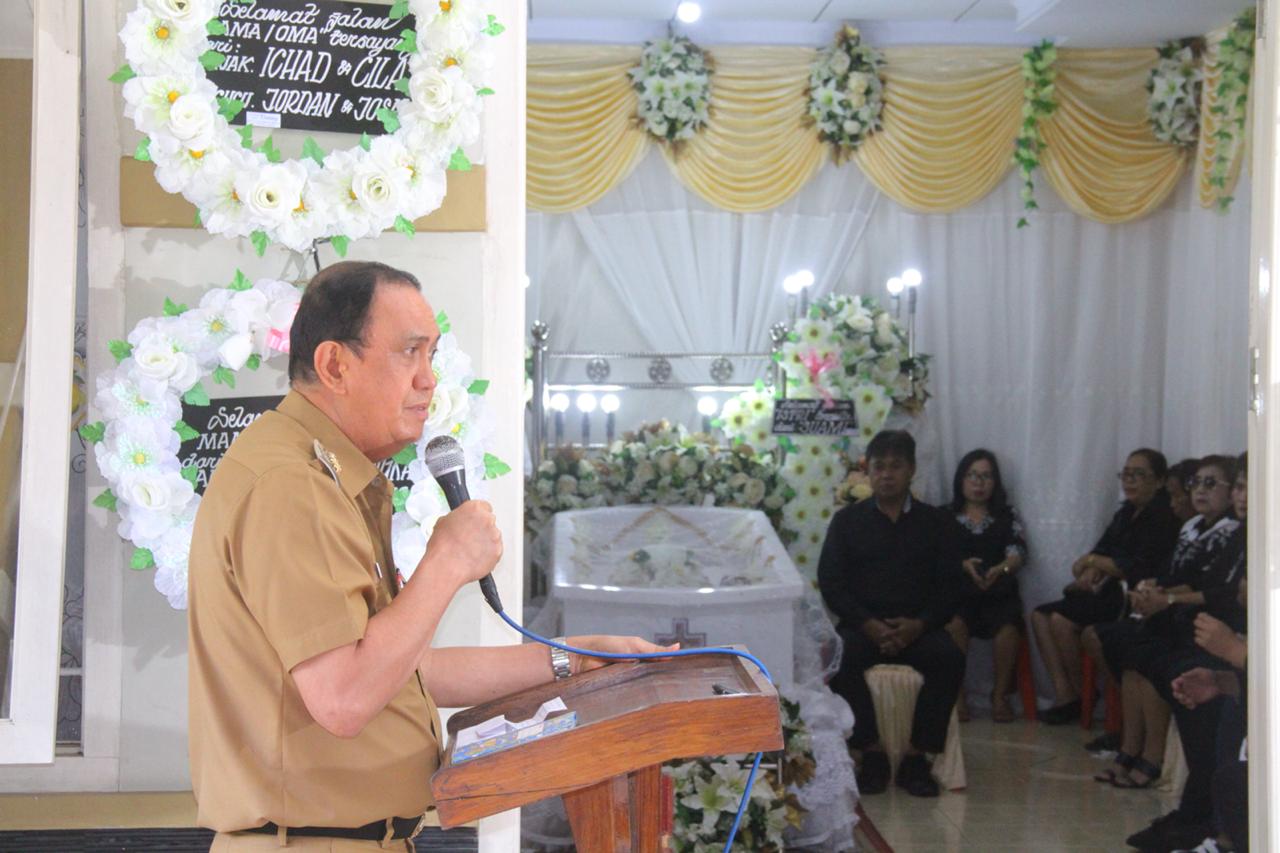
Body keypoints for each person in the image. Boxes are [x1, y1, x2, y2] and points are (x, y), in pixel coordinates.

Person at [187, 261, 668, 850]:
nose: (428, 381)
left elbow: (399, 673)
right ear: (335, 365)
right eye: (409, 353)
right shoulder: (293, 485)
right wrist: (445, 563)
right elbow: (344, 698)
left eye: (432, 356)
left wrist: (575, 659)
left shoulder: (323, 474)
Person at [818, 430, 964, 798]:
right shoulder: (847, 522)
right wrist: (868, 624)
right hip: (864, 628)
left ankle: (918, 757)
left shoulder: (938, 523)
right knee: (838, 658)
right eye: (879, 467)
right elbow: (831, 582)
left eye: (895, 466)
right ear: (868, 472)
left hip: (919, 627)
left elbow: (951, 587)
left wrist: (920, 625)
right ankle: (871, 753)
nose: (886, 475)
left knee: (948, 659)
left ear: (911, 470)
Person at [1091, 455, 1240, 789]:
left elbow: (1207, 587)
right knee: (1132, 652)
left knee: (1152, 657)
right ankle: (1129, 748)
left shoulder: (1231, 531)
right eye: (1196, 483)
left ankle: (1153, 758)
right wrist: (1152, 589)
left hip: (1204, 622)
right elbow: (1175, 573)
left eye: (1211, 483)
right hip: (1176, 612)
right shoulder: (1191, 526)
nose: (1200, 491)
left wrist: (1164, 598)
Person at [1030, 449, 1180, 724]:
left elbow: (1135, 567)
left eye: (1139, 475)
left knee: (1062, 622)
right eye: (1126, 474)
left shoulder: (1162, 516)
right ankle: (1067, 693)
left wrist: (1095, 562)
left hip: (1131, 596)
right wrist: (1088, 568)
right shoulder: (1126, 513)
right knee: (1040, 615)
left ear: (1159, 481)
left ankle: (1087, 699)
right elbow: (1099, 552)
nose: (1129, 481)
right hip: (1107, 590)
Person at [943, 450, 1028, 723]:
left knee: (1008, 627)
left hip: (997, 591)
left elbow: (1018, 553)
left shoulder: (1006, 515)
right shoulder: (944, 516)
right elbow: (935, 555)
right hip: (959, 593)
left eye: (986, 476)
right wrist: (962, 564)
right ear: (961, 480)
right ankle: (957, 696)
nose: (979, 483)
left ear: (996, 482)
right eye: (972, 476)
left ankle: (999, 696)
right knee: (954, 624)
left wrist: (1000, 568)